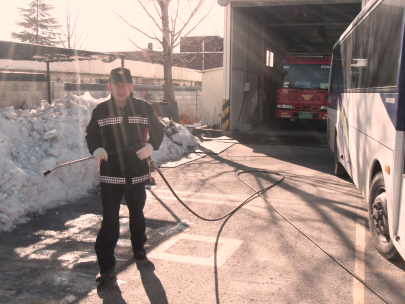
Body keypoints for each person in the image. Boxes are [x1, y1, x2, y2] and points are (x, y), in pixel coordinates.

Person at [85, 67, 164, 290]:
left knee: (136, 213)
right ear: (109, 87)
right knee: (110, 219)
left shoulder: (143, 108)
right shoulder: (101, 111)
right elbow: (91, 135)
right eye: (116, 85)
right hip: (110, 174)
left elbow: (158, 131)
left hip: (137, 171)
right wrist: (96, 148)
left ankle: (138, 248)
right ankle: (107, 268)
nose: (121, 89)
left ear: (131, 87)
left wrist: (150, 146)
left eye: (125, 85)